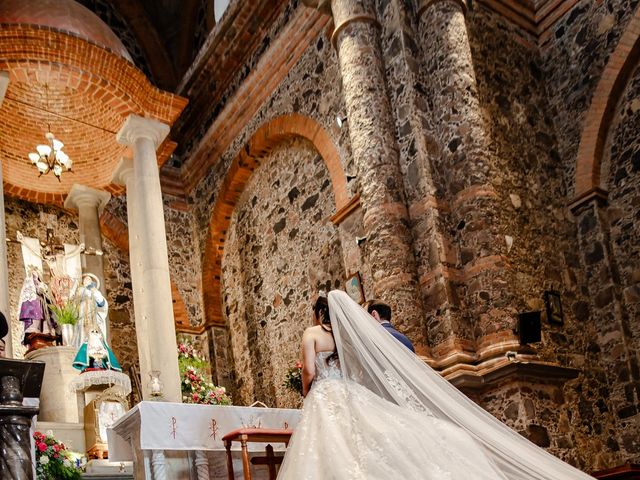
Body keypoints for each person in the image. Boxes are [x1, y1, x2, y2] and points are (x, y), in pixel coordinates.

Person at [277, 290, 593, 479]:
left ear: (319, 314)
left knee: (333, 447)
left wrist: (308, 390)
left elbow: (308, 369)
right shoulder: (345, 338)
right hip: (347, 392)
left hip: (324, 394)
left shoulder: (310, 334)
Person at [71, 274, 121, 372]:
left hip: (93, 322)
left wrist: (93, 290)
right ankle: (84, 364)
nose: (87, 281)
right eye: (85, 280)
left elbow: (102, 304)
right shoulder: (80, 293)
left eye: (89, 280)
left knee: (96, 342)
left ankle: (98, 364)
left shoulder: (95, 293)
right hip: (82, 322)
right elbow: (73, 304)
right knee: (83, 340)